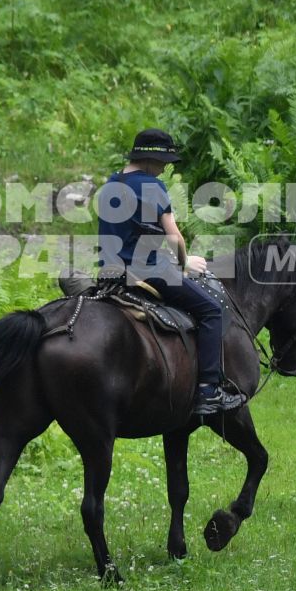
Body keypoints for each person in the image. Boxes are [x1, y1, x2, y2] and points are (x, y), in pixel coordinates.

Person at [95, 128, 246, 416]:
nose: (165, 169)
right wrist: (185, 262)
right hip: (147, 272)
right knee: (212, 310)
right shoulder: (152, 187)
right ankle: (208, 390)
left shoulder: (110, 185)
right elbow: (174, 237)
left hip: (111, 273)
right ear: (151, 158)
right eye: (164, 162)